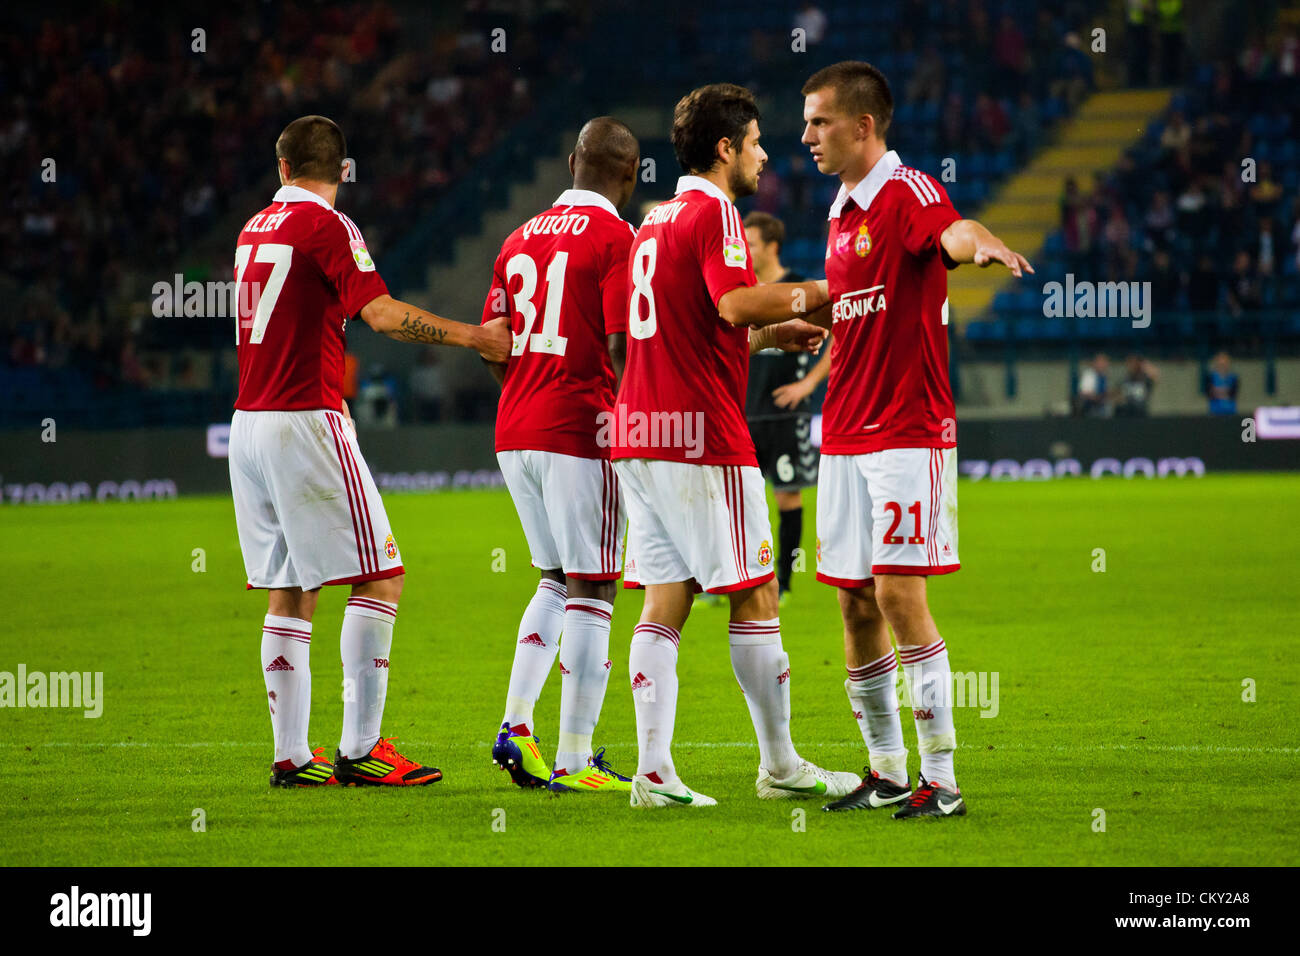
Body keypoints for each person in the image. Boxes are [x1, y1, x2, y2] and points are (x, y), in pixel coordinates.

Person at [229, 115, 511, 788]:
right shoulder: (329, 226)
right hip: (303, 420)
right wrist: (475, 338)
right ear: (342, 171)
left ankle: (293, 757)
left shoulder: (253, 229)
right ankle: (362, 748)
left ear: (281, 167)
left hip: (248, 423)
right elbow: (380, 314)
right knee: (381, 575)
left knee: (291, 591)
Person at [613, 83, 859, 808]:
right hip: (701, 437)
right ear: (725, 149)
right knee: (754, 592)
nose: (764, 154)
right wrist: (828, 287)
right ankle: (781, 767)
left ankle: (652, 773)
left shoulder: (654, 221)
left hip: (640, 431)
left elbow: (689, 326)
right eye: (754, 142)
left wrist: (767, 334)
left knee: (665, 600)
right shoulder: (716, 211)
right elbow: (728, 301)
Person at [800, 61, 1033, 818]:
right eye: (804, 123)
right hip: (843, 432)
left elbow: (952, 234)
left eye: (819, 121)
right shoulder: (840, 211)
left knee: (900, 594)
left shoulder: (909, 191)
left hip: (906, 432)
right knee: (854, 605)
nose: (806, 136)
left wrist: (984, 243)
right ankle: (888, 769)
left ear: (863, 126)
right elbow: (858, 306)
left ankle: (944, 779)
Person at [480, 117, 641, 795]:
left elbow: (494, 340)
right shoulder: (618, 238)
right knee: (595, 586)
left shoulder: (519, 235)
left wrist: (524, 391)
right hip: (582, 429)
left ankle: (517, 728)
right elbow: (619, 347)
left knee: (553, 577)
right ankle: (575, 759)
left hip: (515, 426)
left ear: (572, 160)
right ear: (630, 178)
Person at [742, 211, 831, 604]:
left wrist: (808, 384)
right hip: (743, 412)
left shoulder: (797, 289)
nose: (744, 248)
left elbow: (836, 334)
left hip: (784, 415)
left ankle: (786, 582)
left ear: (772, 246)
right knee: (739, 500)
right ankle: (737, 578)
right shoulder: (740, 291)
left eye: (752, 243)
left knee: (786, 497)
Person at [1076, 353, 1113, 417]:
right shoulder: (1089, 374)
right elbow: (1083, 393)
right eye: (1101, 362)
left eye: (1105, 362)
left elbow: (1108, 392)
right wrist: (1097, 398)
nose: (1103, 365)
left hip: (1103, 404)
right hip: (1089, 405)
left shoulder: (1105, 376)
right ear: (1095, 363)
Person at [1205, 351, 1239, 415]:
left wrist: (1219, 392)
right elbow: (1209, 393)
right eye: (1220, 364)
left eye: (1224, 363)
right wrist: (1224, 392)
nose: (1222, 366)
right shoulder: (1211, 377)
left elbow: (1234, 393)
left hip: (1230, 411)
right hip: (1214, 411)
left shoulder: (1234, 377)